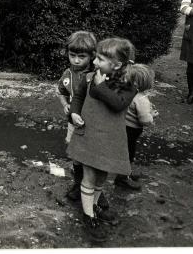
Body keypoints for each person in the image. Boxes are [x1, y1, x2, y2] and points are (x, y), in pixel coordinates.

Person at [67, 38, 138, 242]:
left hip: (110, 140)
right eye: (96, 57)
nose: (95, 62)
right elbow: (78, 97)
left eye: (100, 59)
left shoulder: (128, 85)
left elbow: (117, 104)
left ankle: (95, 204)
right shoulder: (89, 78)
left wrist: (100, 87)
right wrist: (74, 113)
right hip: (88, 136)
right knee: (89, 177)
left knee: (101, 177)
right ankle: (89, 216)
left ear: (116, 65)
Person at [57, 30, 109, 211]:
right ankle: (78, 184)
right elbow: (61, 92)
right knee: (76, 155)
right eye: (73, 55)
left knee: (94, 156)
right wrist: (64, 105)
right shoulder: (66, 75)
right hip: (73, 122)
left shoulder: (97, 74)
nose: (76, 60)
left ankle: (97, 192)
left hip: (93, 123)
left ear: (92, 55)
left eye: (81, 56)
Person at [114, 63, 158, 190]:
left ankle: (125, 173)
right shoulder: (141, 99)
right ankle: (122, 178)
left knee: (124, 152)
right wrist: (152, 115)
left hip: (121, 127)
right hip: (132, 131)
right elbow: (144, 120)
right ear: (140, 84)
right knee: (128, 154)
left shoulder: (123, 93)